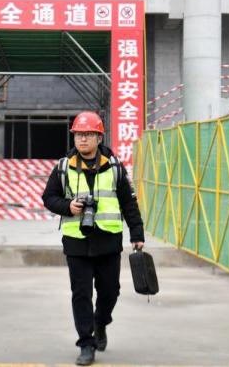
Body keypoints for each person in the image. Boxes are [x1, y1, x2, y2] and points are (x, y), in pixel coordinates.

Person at [42, 111, 145, 366]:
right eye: (78, 134)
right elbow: (49, 198)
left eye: (88, 134)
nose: (83, 139)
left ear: (99, 138)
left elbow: (128, 203)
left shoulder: (115, 168)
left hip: (108, 241)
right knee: (81, 294)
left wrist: (137, 233)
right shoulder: (63, 167)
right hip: (76, 242)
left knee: (110, 292)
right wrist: (68, 207)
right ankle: (86, 344)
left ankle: (101, 323)